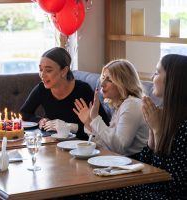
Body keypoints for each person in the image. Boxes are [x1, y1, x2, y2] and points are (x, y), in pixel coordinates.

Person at [68, 54, 187, 199]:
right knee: (81, 190)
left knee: (84, 191)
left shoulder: (182, 124)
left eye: (157, 72)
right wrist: (153, 133)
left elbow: (169, 181)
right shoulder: (164, 114)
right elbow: (149, 163)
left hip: (166, 193)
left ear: (173, 80)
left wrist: (157, 131)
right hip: (151, 184)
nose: (151, 77)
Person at [20, 47, 109, 140]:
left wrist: (71, 127)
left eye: (48, 70)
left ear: (64, 71)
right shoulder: (42, 89)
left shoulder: (83, 90)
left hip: (79, 146)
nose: (42, 75)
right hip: (53, 144)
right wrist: (40, 120)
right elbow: (24, 112)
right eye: (41, 69)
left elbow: (104, 127)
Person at [73, 59, 148, 156]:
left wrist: (95, 118)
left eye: (109, 80)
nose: (102, 84)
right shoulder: (121, 105)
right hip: (123, 162)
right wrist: (88, 122)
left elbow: (119, 147)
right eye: (103, 78)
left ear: (123, 83)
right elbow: (107, 145)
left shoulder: (131, 105)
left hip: (137, 164)